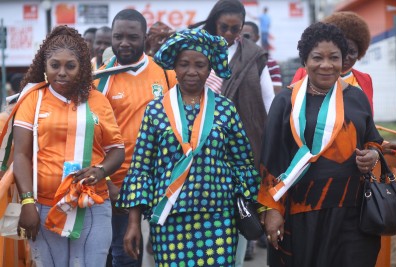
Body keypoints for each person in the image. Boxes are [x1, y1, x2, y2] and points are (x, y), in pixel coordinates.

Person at [116, 27, 260, 267]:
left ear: (209, 68)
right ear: (174, 66)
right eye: (184, 64)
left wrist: (253, 207)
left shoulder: (225, 108)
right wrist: (133, 224)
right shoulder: (156, 110)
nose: (191, 72)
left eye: (200, 65)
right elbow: (141, 168)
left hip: (218, 218)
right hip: (169, 217)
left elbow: (242, 162)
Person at [257, 22, 383, 267]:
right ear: (305, 61)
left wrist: (372, 155)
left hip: (353, 213)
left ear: (342, 60)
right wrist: (271, 210)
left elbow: (374, 141)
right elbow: (270, 162)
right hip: (303, 215)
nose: (326, 65)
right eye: (317, 57)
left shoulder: (356, 98)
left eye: (334, 57)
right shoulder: (286, 102)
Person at [0, 25, 125, 267]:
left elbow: (116, 150)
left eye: (70, 66)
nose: (62, 72)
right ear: (44, 67)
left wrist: (101, 171)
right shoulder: (32, 100)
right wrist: (27, 203)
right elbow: (23, 155)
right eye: (55, 65)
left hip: (92, 204)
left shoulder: (97, 100)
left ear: (81, 68)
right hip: (44, 206)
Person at [189, 1, 274, 265]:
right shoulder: (195, 49)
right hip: (198, 151)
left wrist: (270, 146)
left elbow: (268, 101)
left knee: (237, 218)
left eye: (234, 29)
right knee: (198, 226)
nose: (228, 33)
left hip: (241, 152)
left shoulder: (254, 56)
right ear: (214, 23)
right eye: (223, 27)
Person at [92, 9, 177, 267]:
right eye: (118, 37)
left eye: (132, 37)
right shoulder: (100, 81)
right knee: (124, 256)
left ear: (144, 38)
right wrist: (108, 184)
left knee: (165, 253)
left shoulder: (165, 74)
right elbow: (92, 140)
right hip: (119, 187)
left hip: (162, 184)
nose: (124, 43)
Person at [241, 21, 282, 94]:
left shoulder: (269, 62)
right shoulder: (230, 60)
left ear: (257, 38)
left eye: (246, 36)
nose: (242, 39)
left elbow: (276, 91)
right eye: (239, 36)